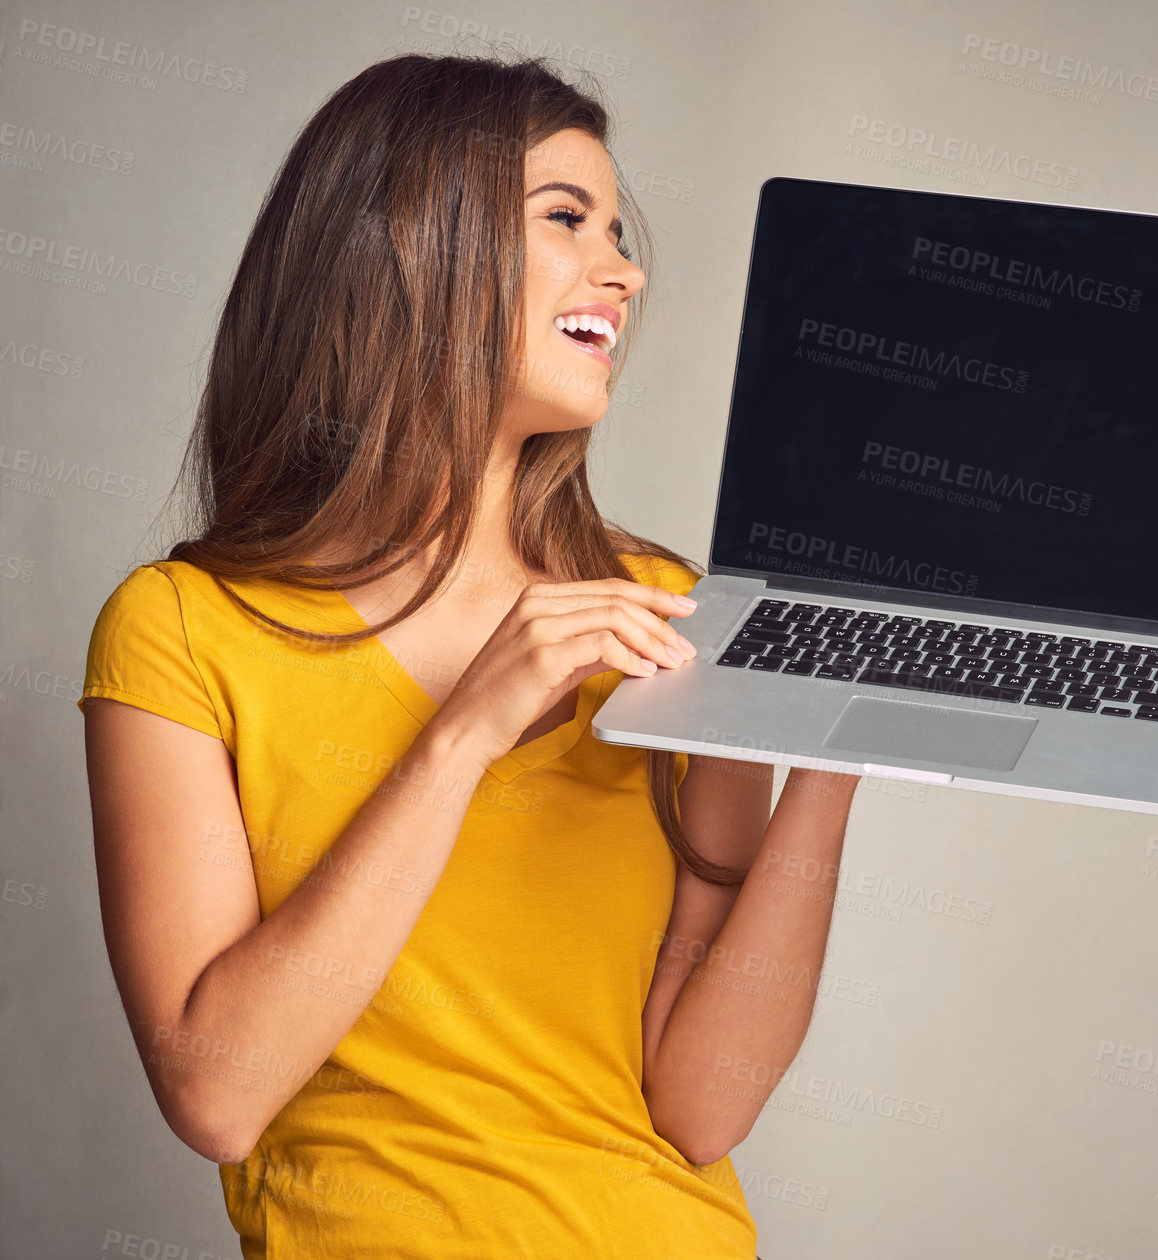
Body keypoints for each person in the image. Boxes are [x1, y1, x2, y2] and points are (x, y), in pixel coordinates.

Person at [78, 51, 858, 1258]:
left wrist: (836, 737)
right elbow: (217, 1098)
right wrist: (462, 734)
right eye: (566, 219)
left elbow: (701, 1108)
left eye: (617, 228)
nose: (626, 268)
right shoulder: (185, 630)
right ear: (405, 247)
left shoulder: (670, 615)